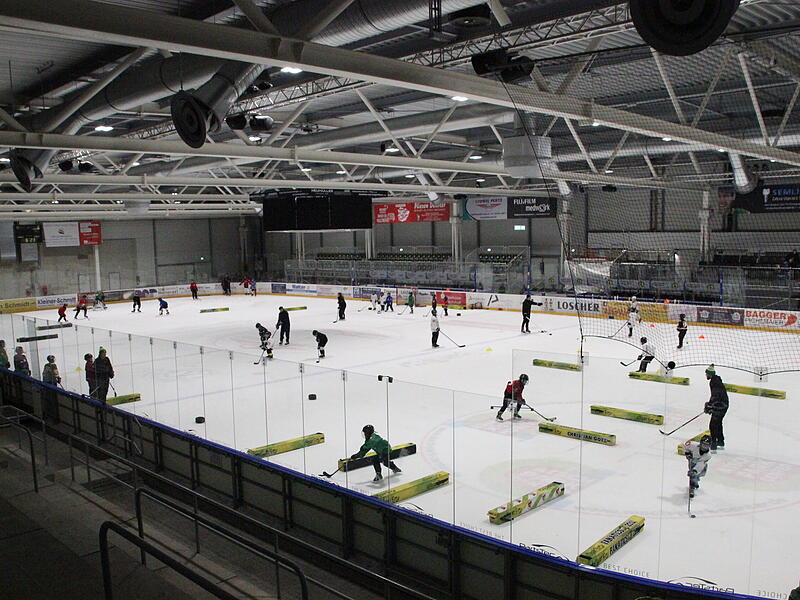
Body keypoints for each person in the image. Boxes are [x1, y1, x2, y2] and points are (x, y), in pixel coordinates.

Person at [704, 364, 729, 451]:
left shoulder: (714, 382)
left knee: (713, 424)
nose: (706, 375)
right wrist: (710, 405)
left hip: (721, 405)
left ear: (710, 374)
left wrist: (711, 406)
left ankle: (713, 444)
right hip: (723, 405)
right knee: (718, 423)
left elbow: (716, 396)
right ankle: (720, 441)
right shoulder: (716, 380)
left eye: (706, 374)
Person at [42, 355, 61, 423]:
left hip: (46, 384)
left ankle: (47, 415)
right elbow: (56, 374)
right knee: (53, 400)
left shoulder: (46, 365)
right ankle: (55, 418)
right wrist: (58, 378)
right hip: (52, 384)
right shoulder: (53, 365)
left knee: (47, 400)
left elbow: (44, 375)